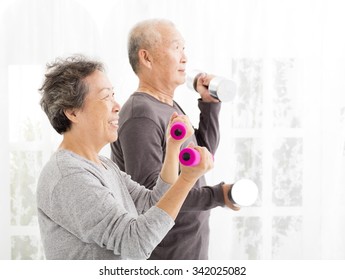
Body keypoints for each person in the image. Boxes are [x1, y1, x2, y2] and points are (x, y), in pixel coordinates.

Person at [36, 55, 214, 260]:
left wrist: (172, 148)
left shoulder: (103, 166)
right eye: (105, 97)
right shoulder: (68, 176)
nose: (117, 105)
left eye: (113, 95)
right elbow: (135, 243)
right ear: (72, 113)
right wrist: (187, 179)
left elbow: (152, 203)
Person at [111, 19, 239, 260]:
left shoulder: (167, 106)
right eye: (176, 47)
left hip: (191, 248)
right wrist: (218, 196)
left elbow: (203, 156)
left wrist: (209, 105)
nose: (184, 58)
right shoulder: (141, 114)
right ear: (146, 58)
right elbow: (152, 197)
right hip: (165, 255)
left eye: (184, 48)